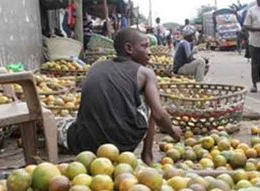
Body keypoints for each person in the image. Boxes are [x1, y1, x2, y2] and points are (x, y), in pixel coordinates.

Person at [58, 28, 182, 164]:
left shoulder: (96, 66)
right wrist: (173, 132)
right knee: (152, 102)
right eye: (144, 46)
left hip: (85, 144)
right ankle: (147, 155)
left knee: (59, 123)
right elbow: (158, 115)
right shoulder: (146, 73)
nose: (149, 52)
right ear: (129, 48)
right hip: (123, 144)